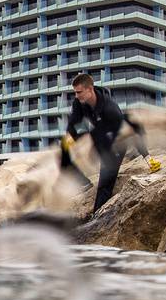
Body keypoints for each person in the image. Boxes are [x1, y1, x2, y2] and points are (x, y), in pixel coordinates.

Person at [58, 71, 143, 214]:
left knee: (105, 182)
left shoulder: (111, 109)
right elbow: (73, 125)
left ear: (90, 89)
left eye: (79, 92)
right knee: (63, 153)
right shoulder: (78, 102)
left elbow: (131, 131)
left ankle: (97, 214)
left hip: (115, 142)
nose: (76, 96)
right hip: (94, 131)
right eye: (75, 93)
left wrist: (146, 155)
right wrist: (68, 144)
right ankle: (84, 183)